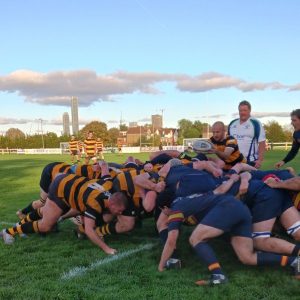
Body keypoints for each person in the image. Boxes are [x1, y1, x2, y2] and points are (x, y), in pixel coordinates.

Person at [158, 184, 300, 285]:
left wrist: (161, 266)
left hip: (228, 207)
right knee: (247, 257)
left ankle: (218, 275)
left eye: (163, 212)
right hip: (239, 207)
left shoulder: (175, 209)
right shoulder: (187, 199)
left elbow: (171, 241)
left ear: (165, 208)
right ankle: (294, 262)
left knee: (196, 238)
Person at [1, 164, 128, 254]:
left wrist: (102, 164)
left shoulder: (108, 184)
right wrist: (107, 249)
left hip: (70, 185)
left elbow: (105, 168)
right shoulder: (95, 202)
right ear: (111, 204)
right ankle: (8, 231)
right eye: (119, 210)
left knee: (48, 213)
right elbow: (89, 230)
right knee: (46, 225)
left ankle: (20, 224)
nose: (120, 213)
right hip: (60, 189)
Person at [228, 100, 266, 168]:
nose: (242, 112)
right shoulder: (232, 123)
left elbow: (262, 142)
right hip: (233, 161)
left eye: (245, 110)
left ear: (249, 110)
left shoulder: (255, 123)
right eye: (240, 110)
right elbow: (227, 142)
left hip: (250, 162)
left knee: (247, 178)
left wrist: (259, 160)